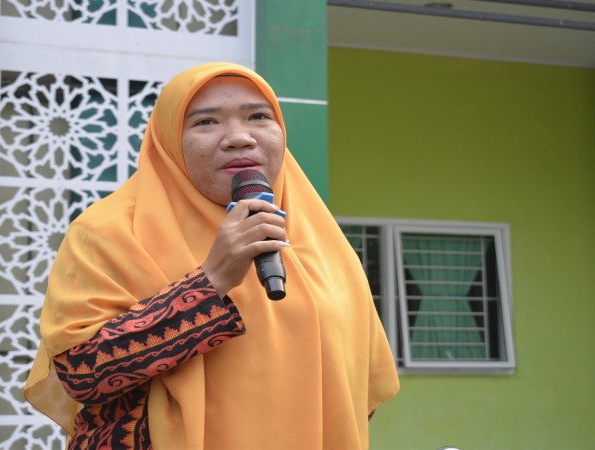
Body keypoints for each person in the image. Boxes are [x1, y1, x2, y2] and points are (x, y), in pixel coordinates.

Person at [24, 62, 400, 449]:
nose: (238, 138)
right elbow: (82, 373)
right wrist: (211, 281)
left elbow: (358, 389)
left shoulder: (321, 236)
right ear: (170, 140)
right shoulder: (108, 231)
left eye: (258, 117)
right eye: (206, 122)